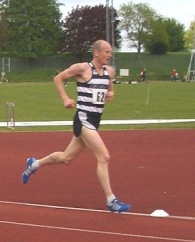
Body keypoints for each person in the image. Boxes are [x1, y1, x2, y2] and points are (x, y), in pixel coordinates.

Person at [21, 39, 131, 213]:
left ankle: (34, 164)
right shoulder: (82, 68)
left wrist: (111, 92)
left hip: (95, 121)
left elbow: (108, 85)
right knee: (104, 157)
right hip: (83, 118)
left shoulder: (109, 71)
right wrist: (65, 98)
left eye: (111, 52)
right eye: (107, 52)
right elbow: (58, 78)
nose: (110, 55)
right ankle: (111, 200)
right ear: (96, 52)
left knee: (67, 158)